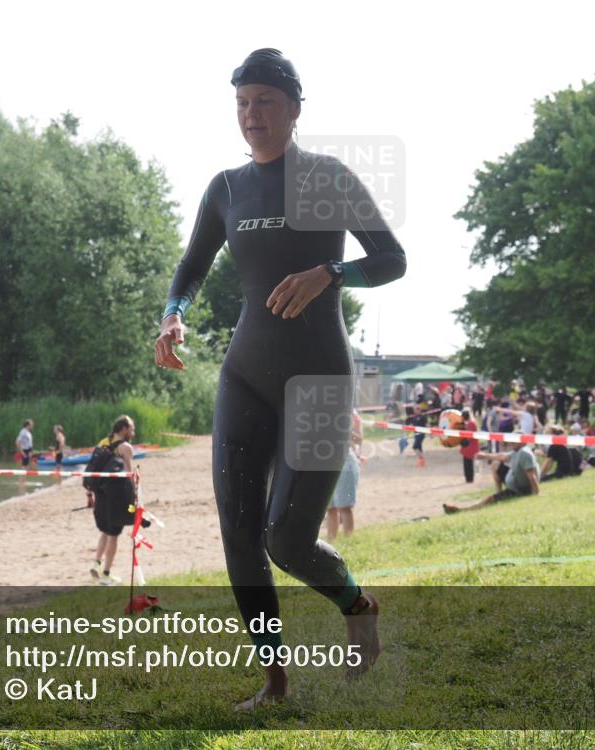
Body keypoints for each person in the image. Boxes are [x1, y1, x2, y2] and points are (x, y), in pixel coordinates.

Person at [153, 48, 405, 708]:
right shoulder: (226, 188)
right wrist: (173, 316)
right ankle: (275, 681)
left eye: (264, 101)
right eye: (241, 103)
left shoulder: (328, 177)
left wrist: (333, 272)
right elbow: (191, 266)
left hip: (320, 377)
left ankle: (357, 604)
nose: (250, 114)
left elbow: (392, 259)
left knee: (287, 540)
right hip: (245, 374)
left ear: (294, 108)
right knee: (239, 534)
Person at [88, 415, 138, 585]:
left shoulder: (103, 442)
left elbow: (93, 468)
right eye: (131, 428)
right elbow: (129, 474)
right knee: (114, 534)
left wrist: (89, 494)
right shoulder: (125, 447)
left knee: (105, 531)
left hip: (100, 493)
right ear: (123, 429)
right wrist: (135, 495)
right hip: (117, 495)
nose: (133, 432)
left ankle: (96, 562)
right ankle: (106, 573)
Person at [443, 442, 540, 513]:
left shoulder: (524, 454)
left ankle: (461, 510)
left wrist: (536, 494)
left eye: (514, 440)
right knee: (496, 464)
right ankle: (498, 493)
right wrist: (485, 456)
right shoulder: (517, 452)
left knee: (489, 500)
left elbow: (531, 476)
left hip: (518, 491)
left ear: (522, 442)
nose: (511, 442)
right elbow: (502, 456)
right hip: (514, 482)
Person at [326, 410, 363, 541]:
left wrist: (344, 432)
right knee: (330, 508)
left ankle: (348, 542)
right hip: (324, 462)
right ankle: (331, 542)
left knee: (344, 507)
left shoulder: (350, 412)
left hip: (344, 462)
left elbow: (358, 439)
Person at [459, 408, 479, 483]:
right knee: (468, 463)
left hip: (470, 446)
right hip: (470, 445)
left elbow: (469, 435)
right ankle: (469, 478)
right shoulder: (472, 422)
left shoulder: (471, 423)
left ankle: (469, 479)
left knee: (468, 464)